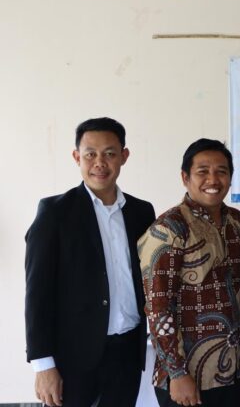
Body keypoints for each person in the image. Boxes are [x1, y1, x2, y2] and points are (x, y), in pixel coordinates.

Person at [25, 117, 156, 407]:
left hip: (127, 354)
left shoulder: (142, 212)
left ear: (124, 156)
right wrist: (42, 364)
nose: (100, 163)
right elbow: (37, 293)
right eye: (90, 154)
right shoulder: (55, 213)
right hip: (73, 357)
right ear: (77, 157)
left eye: (109, 153)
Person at [138, 138, 240, 407]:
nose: (212, 179)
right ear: (185, 177)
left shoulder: (238, 222)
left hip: (234, 370)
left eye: (221, 171)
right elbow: (158, 307)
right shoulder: (169, 228)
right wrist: (177, 373)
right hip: (188, 378)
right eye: (203, 171)